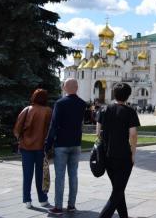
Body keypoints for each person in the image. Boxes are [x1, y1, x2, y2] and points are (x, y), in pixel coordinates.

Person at [97, 82, 139, 218]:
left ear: (114, 94)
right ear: (128, 96)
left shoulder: (103, 110)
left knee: (118, 188)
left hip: (107, 155)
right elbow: (133, 134)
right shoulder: (130, 112)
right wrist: (133, 153)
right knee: (117, 191)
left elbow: (98, 132)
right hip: (123, 156)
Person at [45, 79, 87, 216]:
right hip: (76, 143)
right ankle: (71, 205)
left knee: (60, 176)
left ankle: (58, 206)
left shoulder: (60, 103)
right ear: (77, 88)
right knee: (73, 175)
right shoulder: (82, 104)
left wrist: (48, 144)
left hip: (61, 144)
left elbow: (54, 125)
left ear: (65, 88)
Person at [13, 89, 52, 209]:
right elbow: (51, 129)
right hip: (41, 147)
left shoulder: (27, 109)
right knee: (41, 175)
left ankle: (27, 200)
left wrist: (20, 139)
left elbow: (17, 129)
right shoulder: (48, 111)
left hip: (26, 147)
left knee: (27, 174)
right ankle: (43, 199)